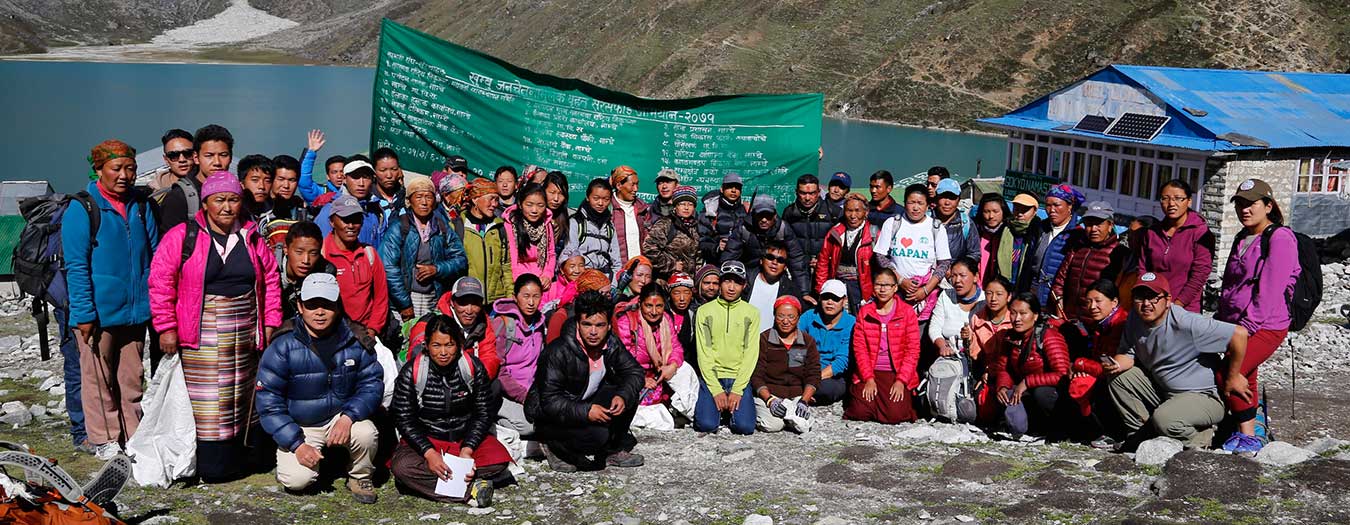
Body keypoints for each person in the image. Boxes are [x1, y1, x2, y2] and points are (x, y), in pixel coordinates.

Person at [148, 171, 282, 481]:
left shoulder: (251, 236)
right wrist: (166, 327)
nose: (226, 207)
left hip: (245, 329)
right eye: (219, 200)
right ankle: (209, 465)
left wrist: (271, 321)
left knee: (240, 396)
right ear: (205, 203)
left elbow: (271, 280)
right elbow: (160, 283)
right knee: (207, 403)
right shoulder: (183, 235)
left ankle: (240, 459)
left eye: (233, 200)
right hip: (200, 333)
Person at [63, 139, 158, 460]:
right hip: (96, 315)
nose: (124, 175)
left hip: (135, 312)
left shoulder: (142, 206)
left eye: (130, 168)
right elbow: (76, 266)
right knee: (97, 380)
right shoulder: (83, 208)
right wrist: (84, 313)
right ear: (98, 169)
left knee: (132, 379)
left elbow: (155, 257)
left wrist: (153, 304)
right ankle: (104, 439)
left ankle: (133, 437)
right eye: (116, 168)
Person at [256, 273, 382, 503]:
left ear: (337, 305)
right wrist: (297, 444)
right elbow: (268, 402)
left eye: (327, 304)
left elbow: (372, 383)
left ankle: (359, 476)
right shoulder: (282, 345)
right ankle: (310, 462)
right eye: (312, 305)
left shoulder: (355, 339)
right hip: (300, 426)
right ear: (300, 306)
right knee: (296, 481)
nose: (320, 312)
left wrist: (349, 416)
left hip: (341, 419)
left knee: (366, 433)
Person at [1103, 272, 1249, 448]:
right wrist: (1116, 364)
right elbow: (1128, 354)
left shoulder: (1186, 323)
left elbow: (1239, 334)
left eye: (1153, 298)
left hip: (1203, 396)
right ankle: (1140, 436)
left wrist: (1233, 377)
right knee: (1120, 378)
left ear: (1168, 300)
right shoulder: (1135, 318)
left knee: (1165, 419)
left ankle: (1207, 438)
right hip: (1164, 390)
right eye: (1140, 298)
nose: (1146, 304)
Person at [1215, 178, 1299, 453]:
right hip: (1236, 322)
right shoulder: (1242, 237)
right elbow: (1231, 283)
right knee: (1245, 374)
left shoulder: (1280, 238)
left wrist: (1247, 327)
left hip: (1265, 324)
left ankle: (1249, 432)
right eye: (1240, 204)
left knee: (1230, 371)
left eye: (1251, 204)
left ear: (1268, 205)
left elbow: (1270, 288)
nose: (1244, 210)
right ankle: (1249, 430)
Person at [390, 314, 507, 506]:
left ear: (459, 344)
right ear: (426, 345)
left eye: (449, 345)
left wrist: (468, 449)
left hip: (463, 440)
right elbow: (403, 418)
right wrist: (428, 453)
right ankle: (471, 490)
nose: (443, 352)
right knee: (402, 468)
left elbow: (483, 412)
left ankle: (443, 481)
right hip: (428, 440)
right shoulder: (412, 372)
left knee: (499, 461)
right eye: (437, 345)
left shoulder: (472, 368)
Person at [526, 291, 646, 472]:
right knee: (596, 437)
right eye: (587, 324)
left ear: (608, 326)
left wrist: (622, 396)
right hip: (551, 415)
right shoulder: (558, 351)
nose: (593, 332)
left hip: (583, 402)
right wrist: (586, 412)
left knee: (629, 393)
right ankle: (552, 446)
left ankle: (611, 450)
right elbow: (550, 401)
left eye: (600, 325)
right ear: (577, 323)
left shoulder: (611, 344)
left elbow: (635, 372)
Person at [381, 174, 469, 320]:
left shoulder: (442, 227)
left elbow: (460, 260)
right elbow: (388, 267)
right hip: (404, 301)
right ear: (409, 201)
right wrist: (404, 304)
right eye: (419, 197)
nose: (424, 202)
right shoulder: (399, 227)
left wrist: (437, 269)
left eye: (428, 197)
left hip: (433, 299)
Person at [988, 292, 1072, 437]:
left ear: (1035, 315)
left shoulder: (1049, 336)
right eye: (1013, 313)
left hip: (1052, 394)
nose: (1017, 319)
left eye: (1023, 313)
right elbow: (1003, 368)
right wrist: (1002, 386)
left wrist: (1028, 382)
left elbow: (1062, 374)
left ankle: (1058, 429)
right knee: (1003, 392)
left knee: (1042, 393)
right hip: (1026, 391)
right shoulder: (1010, 338)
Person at [615, 283, 697, 428]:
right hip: (634, 377)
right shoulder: (627, 322)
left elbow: (676, 348)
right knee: (640, 412)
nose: (654, 312)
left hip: (659, 374)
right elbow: (620, 360)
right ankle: (669, 416)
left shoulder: (665, 319)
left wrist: (671, 366)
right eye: (648, 306)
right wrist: (641, 379)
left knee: (685, 369)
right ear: (640, 303)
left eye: (658, 306)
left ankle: (687, 412)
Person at [845, 268, 920, 424]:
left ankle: (886, 405)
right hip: (871, 371)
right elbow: (860, 349)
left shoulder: (907, 312)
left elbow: (912, 351)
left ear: (895, 288)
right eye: (879, 284)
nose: (882, 289)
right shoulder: (865, 312)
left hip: (896, 372)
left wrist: (901, 381)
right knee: (859, 412)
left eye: (887, 285)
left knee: (895, 415)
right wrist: (868, 378)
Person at [693, 261, 759, 435]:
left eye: (737, 282)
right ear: (720, 283)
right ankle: (720, 408)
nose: (731, 287)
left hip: (739, 378)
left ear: (744, 285)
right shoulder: (705, 311)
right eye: (727, 281)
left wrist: (737, 390)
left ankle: (729, 408)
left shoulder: (751, 313)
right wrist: (716, 390)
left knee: (745, 427)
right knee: (706, 425)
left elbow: (751, 353)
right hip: (713, 377)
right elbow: (704, 353)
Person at [874, 184, 951, 322]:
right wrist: (900, 280)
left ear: (928, 206)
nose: (916, 208)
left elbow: (944, 262)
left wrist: (926, 290)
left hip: (925, 296)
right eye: (911, 202)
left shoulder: (936, 227)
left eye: (920, 203)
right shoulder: (892, 223)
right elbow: (880, 255)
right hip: (896, 292)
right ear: (904, 203)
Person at [1139, 179, 1215, 313]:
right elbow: (1143, 268)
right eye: (1165, 199)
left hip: (1184, 309)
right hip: (1153, 306)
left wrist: (1178, 305)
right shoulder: (1152, 232)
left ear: (1189, 201)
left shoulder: (1200, 233)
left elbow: (1200, 275)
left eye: (1178, 198)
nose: (1171, 204)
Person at [323, 195, 390, 339]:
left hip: (365, 334)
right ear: (332, 222)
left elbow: (381, 297)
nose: (351, 226)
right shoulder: (322, 255)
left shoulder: (369, 254)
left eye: (356, 220)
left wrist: (372, 330)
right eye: (345, 220)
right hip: (331, 335)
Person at [491, 274, 550, 437]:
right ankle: (496, 421)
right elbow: (499, 371)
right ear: (515, 297)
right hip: (507, 393)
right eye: (526, 296)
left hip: (533, 391)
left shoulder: (540, 324)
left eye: (536, 296)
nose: (531, 302)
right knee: (530, 427)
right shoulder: (503, 324)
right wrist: (524, 396)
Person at [407, 277, 501, 378]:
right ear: (452, 302)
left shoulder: (483, 322)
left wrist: (475, 380)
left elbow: (489, 356)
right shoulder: (429, 323)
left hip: (469, 379)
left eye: (475, 303)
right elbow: (417, 358)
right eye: (463, 303)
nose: (469, 310)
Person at [753, 296, 820, 433]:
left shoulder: (807, 341)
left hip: (796, 395)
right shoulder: (764, 339)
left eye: (791, 317)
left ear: (798, 317)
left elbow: (813, 374)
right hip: (771, 393)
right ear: (774, 316)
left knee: (802, 426)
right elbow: (756, 375)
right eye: (780, 316)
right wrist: (770, 400)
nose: (785, 321)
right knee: (772, 425)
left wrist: (804, 401)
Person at [1051, 201, 1127, 320]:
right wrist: (1061, 313)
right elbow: (1060, 282)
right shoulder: (1077, 248)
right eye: (1089, 225)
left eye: (1099, 224)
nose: (1093, 229)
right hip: (1069, 318)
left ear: (1110, 225)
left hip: (1098, 323)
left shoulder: (1118, 253)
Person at [157, 124, 231, 237]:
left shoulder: (237, 193)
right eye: (209, 156)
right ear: (196, 157)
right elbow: (169, 248)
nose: (217, 162)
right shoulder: (178, 198)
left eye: (223, 155)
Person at [730, 195, 807, 292]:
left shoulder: (783, 229)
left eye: (768, 216)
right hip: (749, 279)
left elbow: (797, 261)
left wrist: (803, 292)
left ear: (775, 216)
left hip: (776, 278)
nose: (764, 220)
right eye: (760, 215)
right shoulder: (743, 229)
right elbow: (730, 258)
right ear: (753, 214)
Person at [454, 178, 513, 302]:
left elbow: (506, 266)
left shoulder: (499, 228)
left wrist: (509, 297)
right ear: (475, 199)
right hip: (467, 298)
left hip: (495, 300)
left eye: (496, 199)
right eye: (490, 198)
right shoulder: (458, 227)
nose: (495, 204)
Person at [1023, 183, 1083, 304]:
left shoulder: (1077, 235)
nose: (1052, 210)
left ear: (1070, 207)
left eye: (1056, 205)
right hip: (1033, 294)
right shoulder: (1040, 229)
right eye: (1048, 205)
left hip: (1057, 300)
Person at [965, 275, 1013, 423]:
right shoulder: (977, 318)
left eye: (999, 294)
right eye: (989, 293)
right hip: (983, 372)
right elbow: (975, 354)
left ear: (1009, 297)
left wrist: (992, 370)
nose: (993, 298)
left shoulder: (1014, 319)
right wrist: (969, 339)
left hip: (1009, 372)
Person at [783, 174, 842, 294]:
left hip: (825, 272)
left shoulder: (834, 212)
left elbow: (841, 245)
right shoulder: (789, 213)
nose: (807, 198)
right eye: (803, 193)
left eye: (812, 193)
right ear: (796, 192)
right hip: (797, 272)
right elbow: (784, 244)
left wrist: (826, 260)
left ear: (819, 192)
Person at [816, 193, 875, 313]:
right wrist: (821, 289)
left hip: (861, 289)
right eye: (849, 210)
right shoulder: (835, 233)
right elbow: (823, 261)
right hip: (837, 286)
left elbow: (879, 268)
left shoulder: (873, 234)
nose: (853, 215)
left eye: (857, 211)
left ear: (866, 212)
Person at [798, 279, 853, 406]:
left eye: (835, 299)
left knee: (827, 390)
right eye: (825, 297)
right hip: (806, 370)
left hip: (831, 376)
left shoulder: (851, 323)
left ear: (844, 301)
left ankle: (802, 393)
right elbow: (797, 346)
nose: (830, 302)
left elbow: (842, 360)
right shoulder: (808, 317)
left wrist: (813, 380)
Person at [315, 156, 386, 245]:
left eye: (366, 177)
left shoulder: (377, 210)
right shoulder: (330, 211)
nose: (361, 183)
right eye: (355, 177)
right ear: (344, 179)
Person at [561, 178, 622, 279]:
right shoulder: (576, 222)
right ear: (588, 197)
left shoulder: (610, 227)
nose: (601, 203)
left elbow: (617, 261)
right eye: (596, 198)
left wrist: (613, 284)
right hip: (582, 278)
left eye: (606, 199)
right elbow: (571, 255)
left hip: (605, 280)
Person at [502, 184, 558, 290]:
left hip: (543, 281)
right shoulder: (510, 225)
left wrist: (547, 275)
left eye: (540, 205)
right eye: (529, 205)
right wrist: (523, 283)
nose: (534, 210)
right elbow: (512, 259)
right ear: (520, 204)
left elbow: (551, 253)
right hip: (520, 282)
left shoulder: (546, 224)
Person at [643, 185, 701, 279]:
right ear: (675, 206)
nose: (686, 208)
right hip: (666, 281)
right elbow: (649, 250)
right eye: (682, 204)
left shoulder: (695, 226)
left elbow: (698, 256)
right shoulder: (665, 224)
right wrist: (672, 265)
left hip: (688, 282)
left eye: (690, 204)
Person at [929, 257, 984, 357]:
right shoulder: (946, 296)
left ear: (975, 277)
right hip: (950, 356)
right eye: (953, 276)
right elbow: (934, 328)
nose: (957, 280)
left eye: (962, 276)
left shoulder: (985, 300)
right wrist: (943, 346)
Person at [743, 240, 802, 332]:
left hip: (771, 342)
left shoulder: (790, 289)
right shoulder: (745, 281)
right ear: (761, 260)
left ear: (785, 266)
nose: (775, 262)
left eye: (780, 260)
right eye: (770, 257)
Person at [263, 154, 311, 255]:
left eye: (291, 180)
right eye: (281, 179)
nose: (286, 186)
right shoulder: (258, 208)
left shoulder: (301, 211)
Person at [279, 222, 327, 320]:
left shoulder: (325, 273)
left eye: (313, 253)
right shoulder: (269, 272)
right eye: (299, 252)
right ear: (286, 249)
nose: (306, 260)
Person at [698, 173, 749, 264]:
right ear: (722, 189)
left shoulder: (746, 210)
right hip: (716, 262)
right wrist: (717, 247)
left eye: (737, 188)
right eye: (729, 187)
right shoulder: (711, 210)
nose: (733, 190)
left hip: (742, 263)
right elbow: (702, 241)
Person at [932, 179, 979, 267]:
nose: (947, 202)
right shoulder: (926, 220)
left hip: (955, 278)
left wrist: (957, 269)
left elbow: (974, 254)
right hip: (927, 277)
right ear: (936, 198)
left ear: (958, 200)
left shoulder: (966, 223)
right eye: (943, 197)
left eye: (952, 198)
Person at [609, 165, 650, 264]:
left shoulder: (642, 209)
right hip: (617, 269)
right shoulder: (609, 209)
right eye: (632, 184)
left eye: (637, 184)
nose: (636, 189)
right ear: (619, 186)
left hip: (639, 270)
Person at [975, 193, 1014, 285]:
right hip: (977, 287)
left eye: (995, 211)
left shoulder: (1010, 234)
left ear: (1003, 211)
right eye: (986, 211)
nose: (991, 216)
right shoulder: (976, 232)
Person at [296, 130, 342, 203]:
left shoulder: (357, 191)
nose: (339, 176)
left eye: (342, 171)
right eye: (334, 172)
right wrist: (311, 152)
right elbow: (304, 184)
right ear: (328, 176)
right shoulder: (321, 192)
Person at [1007, 192, 1042, 288]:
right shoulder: (1005, 229)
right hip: (1004, 285)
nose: (1020, 213)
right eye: (1017, 209)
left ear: (1034, 211)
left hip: (1025, 285)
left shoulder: (1039, 232)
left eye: (1025, 210)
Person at [666, 272, 699, 370]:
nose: (682, 298)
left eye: (686, 292)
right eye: (676, 293)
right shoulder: (662, 314)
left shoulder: (694, 315)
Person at [371, 147, 406, 224]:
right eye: (383, 170)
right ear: (374, 172)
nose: (389, 175)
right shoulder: (369, 201)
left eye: (394, 169)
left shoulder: (406, 197)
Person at [237, 154, 275, 218]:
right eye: (255, 180)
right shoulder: (235, 214)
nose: (262, 186)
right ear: (242, 184)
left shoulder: (277, 215)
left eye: (267, 181)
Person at [543, 170, 570, 257]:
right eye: (552, 192)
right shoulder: (534, 216)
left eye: (561, 194)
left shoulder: (565, 219)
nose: (556, 198)